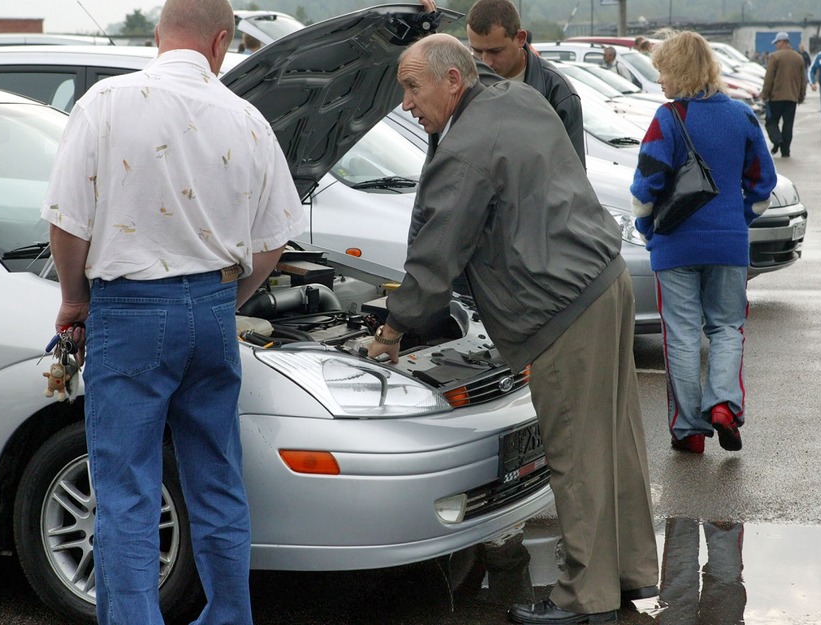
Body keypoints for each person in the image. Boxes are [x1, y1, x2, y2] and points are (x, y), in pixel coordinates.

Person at [369, 33, 659, 625]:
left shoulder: (467, 147)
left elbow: (437, 249)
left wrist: (394, 328)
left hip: (562, 305)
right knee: (615, 441)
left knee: (576, 451)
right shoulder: (517, 99)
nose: (405, 102)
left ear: (453, 81)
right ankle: (627, 573)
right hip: (604, 280)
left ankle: (586, 598)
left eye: (412, 86)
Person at [41, 0, 307, 623]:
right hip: (212, 310)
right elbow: (273, 238)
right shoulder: (246, 118)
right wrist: (225, 298)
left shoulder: (105, 103)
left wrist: (74, 299)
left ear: (160, 36)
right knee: (216, 479)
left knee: (128, 490)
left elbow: (67, 221)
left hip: (130, 312)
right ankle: (229, 616)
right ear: (221, 42)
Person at [630, 29, 777, 455]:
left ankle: (689, 430)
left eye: (663, 72)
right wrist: (737, 218)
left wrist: (649, 231)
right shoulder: (742, 116)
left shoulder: (668, 118)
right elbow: (763, 188)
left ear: (678, 71)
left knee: (681, 335)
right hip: (729, 245)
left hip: (675, 246)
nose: (660, 81)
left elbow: (645, 190)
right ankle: (725, 407)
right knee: (728, 327)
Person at [464, 0, 586, 165]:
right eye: (477, 51)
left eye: (495, 51)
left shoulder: (557, 93)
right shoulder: (464, 84)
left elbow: (573, 176)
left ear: (520, 38)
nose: (486, 62)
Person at [760, 31, 807, 158]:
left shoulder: (774, 57)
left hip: (776, 97)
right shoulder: (799, 58)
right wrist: (801, 95)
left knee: (771, 121)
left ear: (782, 42)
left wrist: (765, 94)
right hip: (792, 98)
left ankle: (777, 140)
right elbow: (803, 79)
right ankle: (785, 151)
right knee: (788, 124)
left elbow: (769, 78)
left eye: (777, 43)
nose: (776, 45)